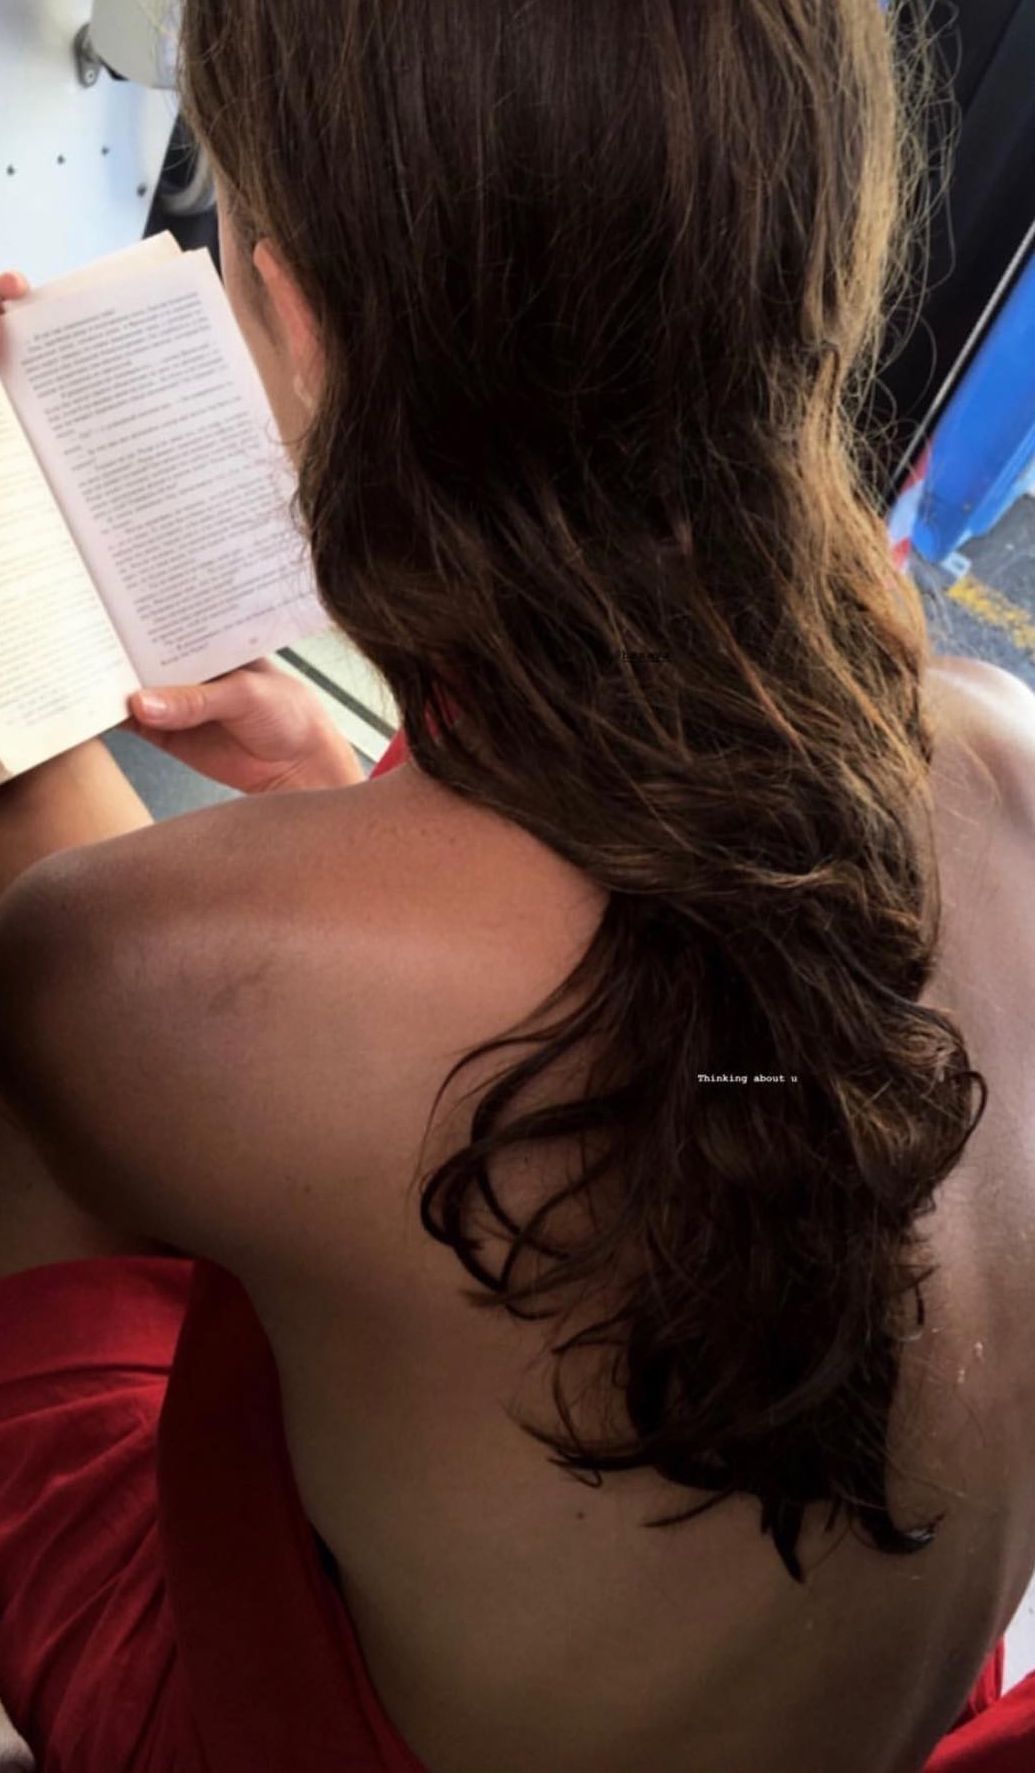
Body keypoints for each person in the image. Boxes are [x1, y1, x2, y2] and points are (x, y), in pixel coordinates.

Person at [0, 3, 1034, 1769]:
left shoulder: (141, 974)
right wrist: (336, 793)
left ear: (292, 316)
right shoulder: (998, 749)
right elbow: (702, 1021)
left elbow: (60, 1365)